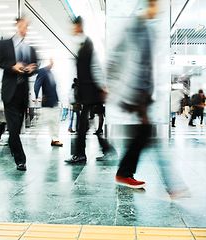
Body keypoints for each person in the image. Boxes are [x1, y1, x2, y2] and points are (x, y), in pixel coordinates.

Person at [107, 0, 158, 188]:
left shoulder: (148, 30)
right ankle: (124, 173)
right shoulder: (135, 27)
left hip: (142, 91)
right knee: (145, 132)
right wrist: (110, 83)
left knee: (144, 133)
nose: (157, 10)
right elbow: (117, 54)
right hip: (134, 90)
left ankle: (124, 173)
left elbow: (147, 65)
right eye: (155, 5)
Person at [65, 16, 116, 164]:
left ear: (80, 26)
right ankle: (106, 150)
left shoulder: (87, 44)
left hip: (91, 91)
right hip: (87, 92)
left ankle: (82, 154)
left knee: (83, 125)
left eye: (75, 27)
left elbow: (95, 67)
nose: (73, 30)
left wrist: (102, 86)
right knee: (85, 124)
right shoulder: (81, 45)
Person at [0, 17, 37, 171]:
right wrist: (13, 66)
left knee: (17, 128)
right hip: (10, 92)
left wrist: (33, 69)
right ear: (17, 25)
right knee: (13, 128)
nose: (25, 29)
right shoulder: (4, 44)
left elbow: (35, 67)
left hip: (23, 93)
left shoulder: (29, 48)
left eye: (27, 27)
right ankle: (21, 160)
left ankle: (13, 145)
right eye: (23, 25)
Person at [35, 59, 63, 147]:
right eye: (51, 61)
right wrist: (37, 96)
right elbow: (37, 84)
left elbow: (53, 87)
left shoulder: (50, 73)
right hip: (47, 102)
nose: (52, 63)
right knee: (43, 121)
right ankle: (34, 133)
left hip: (54, 101)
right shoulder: (43, 71)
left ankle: (54, 140)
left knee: (54, 122)